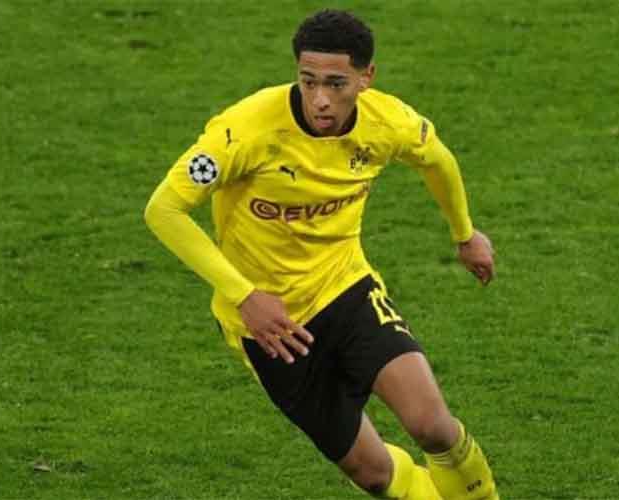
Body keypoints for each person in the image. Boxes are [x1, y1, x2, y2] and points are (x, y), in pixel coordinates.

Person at [144, 9, 499, 500]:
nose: (320, 99)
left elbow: (436, 159)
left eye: (336, 83)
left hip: (346, 289)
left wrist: (465, 234)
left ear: (366, 77)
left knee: (432, 426)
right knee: (374, 475)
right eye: (307, 81)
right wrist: (245, 296)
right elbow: (163, 209)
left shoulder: (387, 122)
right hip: (270, 328)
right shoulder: (245, 131)